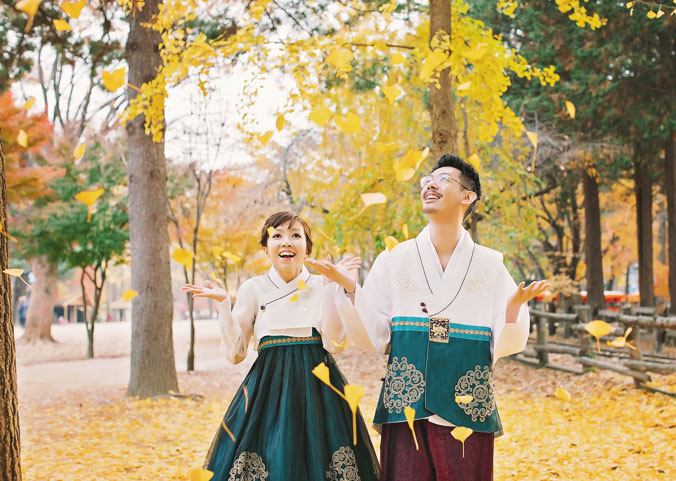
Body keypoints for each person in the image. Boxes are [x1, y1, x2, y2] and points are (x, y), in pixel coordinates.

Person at [309, 154, 549, 481]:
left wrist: (513, 309)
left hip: (465, 405)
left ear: (468, 196)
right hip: (406, 400)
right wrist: (351, 289)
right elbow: (377, 334)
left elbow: (508, 336)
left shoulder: (490, 265)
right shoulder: (395, 258)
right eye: (427, 180)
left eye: (443, 179)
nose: (430, 184)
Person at [182, 211, 380, 481]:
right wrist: (223, 306)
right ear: (266, 249)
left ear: (307, 248)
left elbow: (335, 344)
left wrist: (334, 287)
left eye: (295, 235)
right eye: (277, 236)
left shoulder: (322, 283)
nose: (286, 242)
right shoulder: (253, 288)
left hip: (319, 388)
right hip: (268, 388)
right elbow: (235, 353)